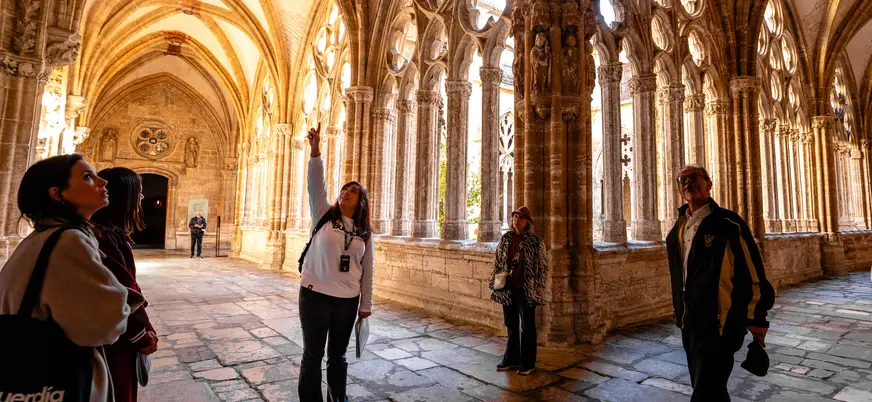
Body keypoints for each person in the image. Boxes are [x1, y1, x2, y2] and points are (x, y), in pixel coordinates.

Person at [0, 154, 130, 402]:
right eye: (88, 177)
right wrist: (123, 300)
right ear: (56, 193)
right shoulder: (68, 240)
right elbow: (102, 324)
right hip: (56, 375)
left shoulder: (42, 236)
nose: (103, 182)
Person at [666, 164, 776, 401]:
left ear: (709, 184)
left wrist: (757, 317)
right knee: (707, 386)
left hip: (721, 323)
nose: (688, 182)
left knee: (705, 390)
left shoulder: (728, 223)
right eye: (682, 179)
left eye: (696, 177)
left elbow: (753, 271)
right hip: (689, 320)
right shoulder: (678, 228)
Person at [298, 123, 374, 402]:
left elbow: (367, 271)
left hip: (347, 300)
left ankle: (336, 400)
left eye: (353, 190)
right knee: (312, 355)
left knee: (338, 357)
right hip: (314, 295)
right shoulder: (323, 214)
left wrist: (365, 306)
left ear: (361, 199)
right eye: (344, 189)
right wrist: (315, 151)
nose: (346, 192)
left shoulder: (365, 231)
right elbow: (315, 184)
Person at [91, 167, 159, 402]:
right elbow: (123, 292)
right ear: (123, 196)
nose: (141, 199)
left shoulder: (110, 235)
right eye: (138, 193)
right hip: (114, 339)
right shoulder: (104, 238)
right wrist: (142, 334)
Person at [488, 206, 548, 376]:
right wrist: (494, 282)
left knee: (528, 327)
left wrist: (538, 288)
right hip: (508, 289)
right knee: (511, 325)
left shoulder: (536, 242)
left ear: (527, 222)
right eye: (514, 217)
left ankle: (528, 363)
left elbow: (543, 268)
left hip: (526, 289)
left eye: (520, 218)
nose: (516, 221)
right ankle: (511, 359)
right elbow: (498, 261)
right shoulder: (506, 238)